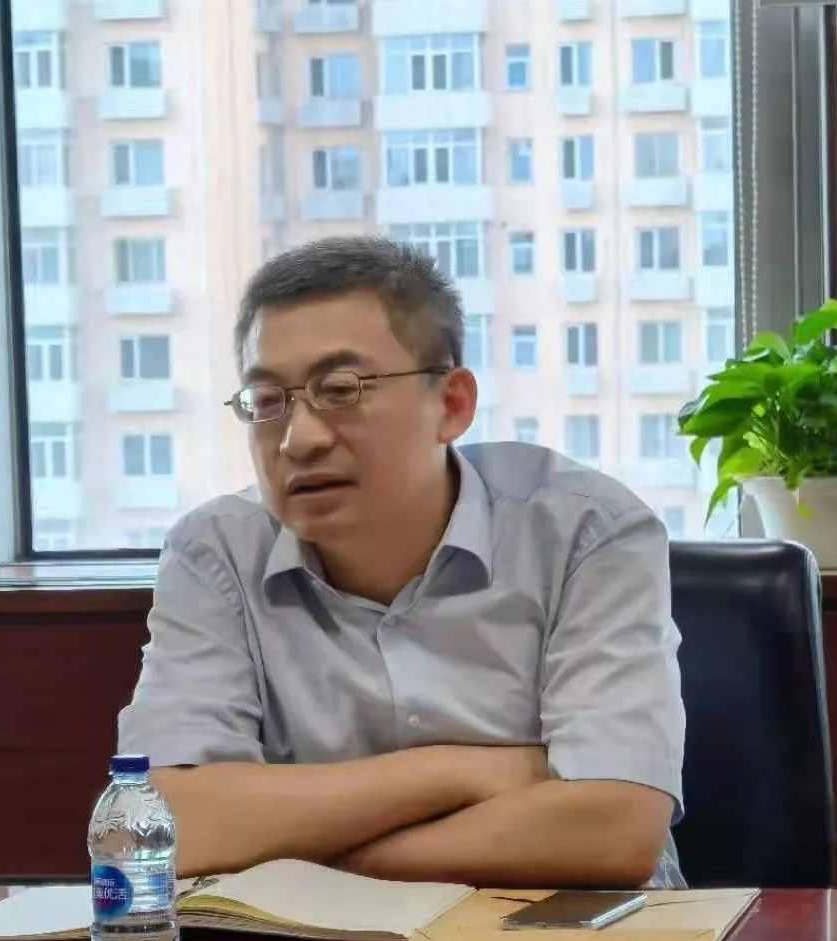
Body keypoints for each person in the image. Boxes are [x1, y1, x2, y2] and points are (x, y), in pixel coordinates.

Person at [118, 236, 686, 889]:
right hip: (327, 933)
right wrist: (464, 770)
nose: (299, 439)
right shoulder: (214, 552)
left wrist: (309, 858)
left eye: (341, 389)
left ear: (451, 404)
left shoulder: (586, 530)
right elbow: (162, 825)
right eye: (268, 401)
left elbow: (614, 831)